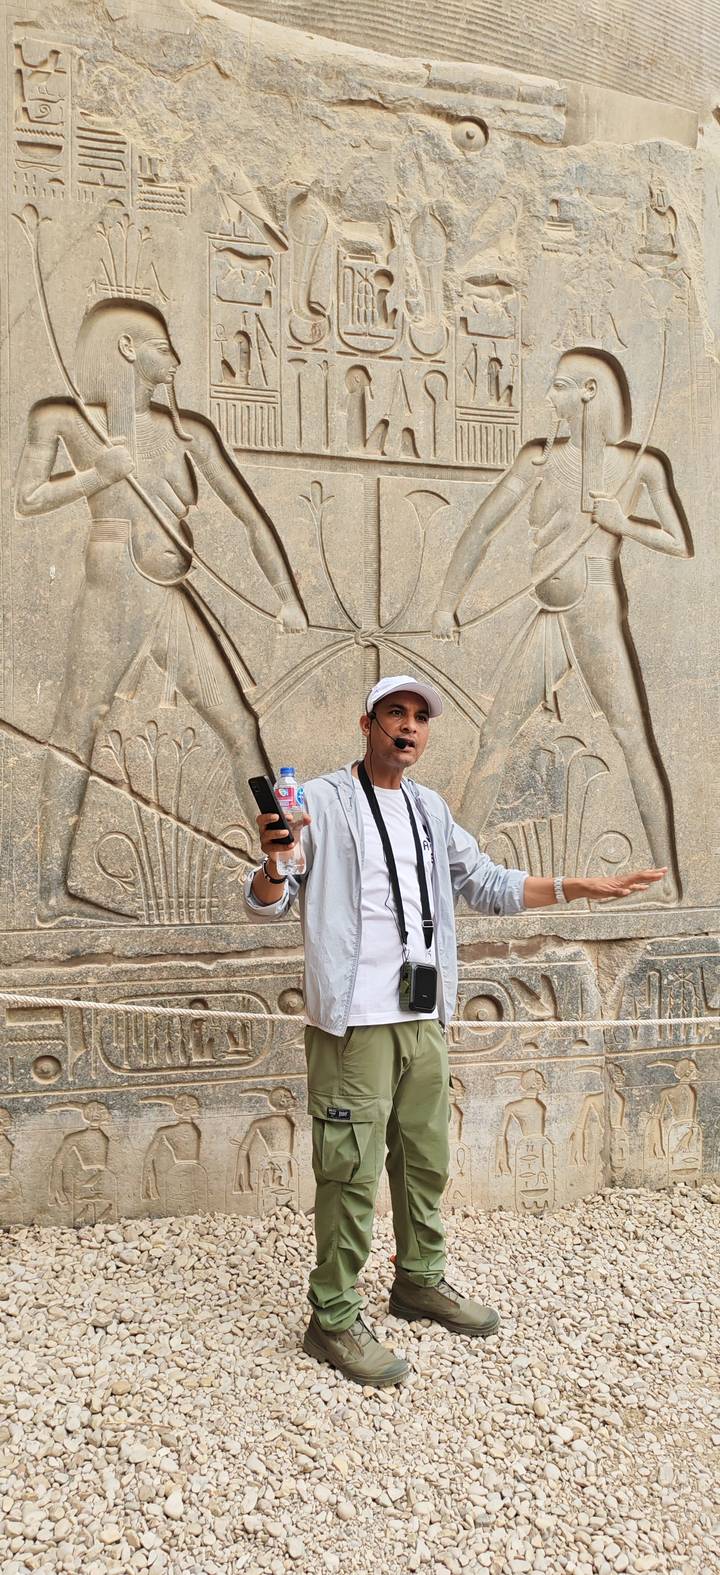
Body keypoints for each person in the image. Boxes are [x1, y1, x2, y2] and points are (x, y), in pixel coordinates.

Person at [244, 673, 664, 1387]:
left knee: (425, 1157)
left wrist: (577, 888)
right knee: (349, 1170)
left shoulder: (429, 809)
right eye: (395, 713)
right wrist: (273, 863)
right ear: (367, 723)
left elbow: (488, 883)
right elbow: (266, 903)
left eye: (419, 716)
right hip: (355, 1023)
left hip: (424, 1014)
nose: (409, 725)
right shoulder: (319, 801)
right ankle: (333, 1317)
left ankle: (418, 1281)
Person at [16, 297, 306, 924]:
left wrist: (285, 597)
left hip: (166, 588)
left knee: (239, 725)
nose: (174, 360)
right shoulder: (67, 418)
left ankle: (282, 864)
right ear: (128, 349)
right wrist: (98, 474)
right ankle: (49, 893)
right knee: (76, 727)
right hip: (115, 584)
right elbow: (28, 498)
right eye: (162, 347)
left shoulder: (186, 430)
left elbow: (249, 515)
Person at [432, 347, 691, 903]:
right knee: (495, 735)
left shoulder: (639, 465)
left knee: (632, 737)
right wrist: (446, 603)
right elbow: (481, 530)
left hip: (594, 605)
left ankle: (669, 883)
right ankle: (453, 880)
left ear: (588, 392)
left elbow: (679, 543)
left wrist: (624, 522)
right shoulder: (540, 458)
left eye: (558, 386)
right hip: (550, 610)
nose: (549, 396)